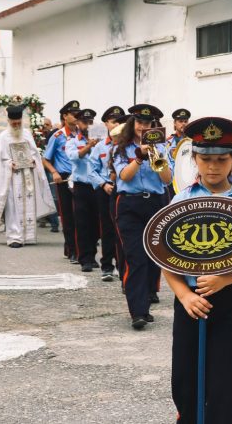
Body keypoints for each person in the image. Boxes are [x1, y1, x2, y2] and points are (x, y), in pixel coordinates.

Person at [166, 116, 232, 424]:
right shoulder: (181, 200)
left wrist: (224, 278)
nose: (213, 167)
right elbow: (164, 259)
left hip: (231, 303)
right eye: (206, 159)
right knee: (185, 381)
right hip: (191, 302)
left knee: (224, 383)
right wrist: (184, 295)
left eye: (221, 159)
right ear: (194, 159)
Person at [112, 104, 173, 329]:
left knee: (153, 256)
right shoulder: (121, 148)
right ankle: (137, 311)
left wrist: (156, 157)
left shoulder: (162, 148)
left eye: (146, 123)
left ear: (153, 126)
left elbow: (167, 180)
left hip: (155, 203)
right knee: (135, 257)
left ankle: (145, 304)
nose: (142, 127)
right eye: (138, 122)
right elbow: (125, 177)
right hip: (130, 203)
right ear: (132, 123)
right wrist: (138, 157)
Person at [0, 105, 57, 247]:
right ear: (9, 121)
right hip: (11, 178)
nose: (16, 125)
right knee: (13, 206)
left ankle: (27, 236)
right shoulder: (3, 138)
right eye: (14, 123)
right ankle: (14, 237)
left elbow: (35, 154)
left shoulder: (27, 134)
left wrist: (33, 161)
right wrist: (8, 165)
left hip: (27, 175)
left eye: (18, 122)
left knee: (28, 204)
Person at [65, 108, 104, 272]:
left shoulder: (101, 140)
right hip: (81, 186)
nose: (87, 125)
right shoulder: (72, 141)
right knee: (82, 224)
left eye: (90, 122)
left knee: (96, 223)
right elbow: (75, 156)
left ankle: (93, 255)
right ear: (78, 123)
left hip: (97, 186)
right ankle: (84, 258)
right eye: (84, 122)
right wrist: (89, 146)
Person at [43, 100, 82, 261]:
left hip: (81, 177)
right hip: (64, 178)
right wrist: (54, 172)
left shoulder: (82, 134)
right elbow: (45, 159)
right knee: (68, 214)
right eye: (74, 114)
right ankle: (71, 249)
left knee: (81, 214)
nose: (77, 117)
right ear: (65, 116)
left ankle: (82, 249)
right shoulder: (58, 136)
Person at [91, 106, 125, 281]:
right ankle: (107, 265)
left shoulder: (126, 146)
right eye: (113, 122)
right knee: (106, 229)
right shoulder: (99, 147)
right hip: (106, 190)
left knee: (122, 229)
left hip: (123, 190)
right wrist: (103, 184)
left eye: (120, 122)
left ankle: (121, 264)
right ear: (106, 124)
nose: (117, 125)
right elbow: (92, 169)